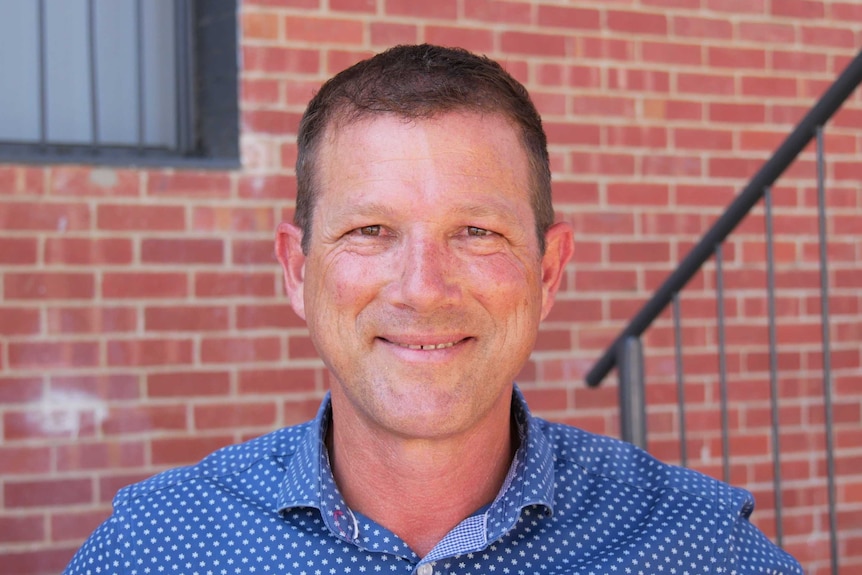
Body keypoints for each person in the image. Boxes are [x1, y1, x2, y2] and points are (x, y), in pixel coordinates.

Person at [64, 44, 802, 575]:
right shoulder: (157, 545)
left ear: (548, 272)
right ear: (297, 269)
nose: (423, 286)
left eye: (477, 232)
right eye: (369, 230)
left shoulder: (697, 546)